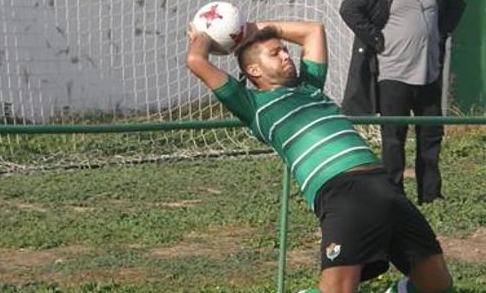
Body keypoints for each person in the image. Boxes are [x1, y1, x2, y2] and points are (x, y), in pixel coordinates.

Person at [186, 19, 454, 293]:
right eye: (275, 53)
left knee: (439, 286)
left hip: (383, 185)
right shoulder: (253, 106)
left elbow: (312, 31)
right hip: (341, 193)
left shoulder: (310, 87)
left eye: (284, 50)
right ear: (254, 70)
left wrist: (249, 27)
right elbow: (196, 60)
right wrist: (206, 35)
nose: (286, 55)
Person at [340, 0, 465, 204]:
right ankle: (394, 195)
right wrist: (375, 38)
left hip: (429, 75)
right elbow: (349, 9)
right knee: (394, 139)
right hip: (393, 75)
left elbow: (457, 6)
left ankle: (431, 195)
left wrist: (442, 33)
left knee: (431, 137)